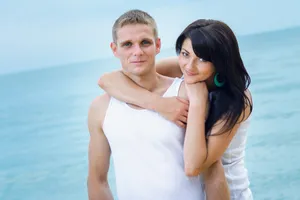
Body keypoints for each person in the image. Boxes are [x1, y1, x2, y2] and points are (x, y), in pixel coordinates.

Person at [98, 18, 254, 200]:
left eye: (203, 59)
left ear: (220, 61)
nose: (189, 66)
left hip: (230, 193)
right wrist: (160, 104)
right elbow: (108, 80)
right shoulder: (186, 69)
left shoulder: (237, 100)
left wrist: (197, 101)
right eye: (185, 53)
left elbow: (193, 165)